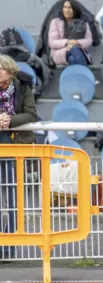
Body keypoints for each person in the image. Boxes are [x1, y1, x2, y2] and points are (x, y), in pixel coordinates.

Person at [0, 55, 38, 260]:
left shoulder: (23, 87)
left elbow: (31, 114)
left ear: (11, 71)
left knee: (12, 199)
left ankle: (9, 247)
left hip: (15, 147)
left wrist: (9, 120)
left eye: (2, 69)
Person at [47, 0, 93, 67]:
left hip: (78, 52)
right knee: (74, 49)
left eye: (69, 8)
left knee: (72, 59)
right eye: (65, 7)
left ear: (75, 10)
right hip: (59, 53)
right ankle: (87, 74)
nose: (67, 10)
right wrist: (68, 42)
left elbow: (89, 40)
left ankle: (81, 75)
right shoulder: (55, 22)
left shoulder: (83, 22)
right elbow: (52, 42)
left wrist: (76, 42)